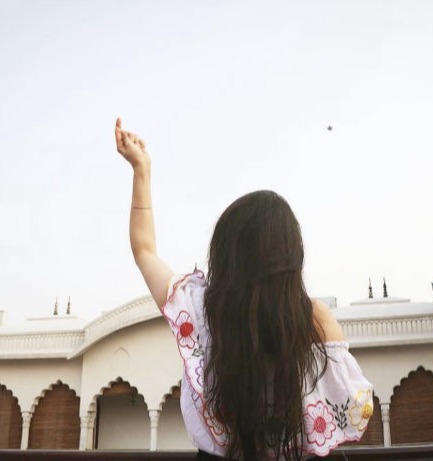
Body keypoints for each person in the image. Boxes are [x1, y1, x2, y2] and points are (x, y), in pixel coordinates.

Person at [115, 118, 374, 460]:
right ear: (292, 258)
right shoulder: (313, 319)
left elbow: (144, 250)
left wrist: (141, 168)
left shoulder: (199, 311)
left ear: (225, 253)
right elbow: (356, 409)